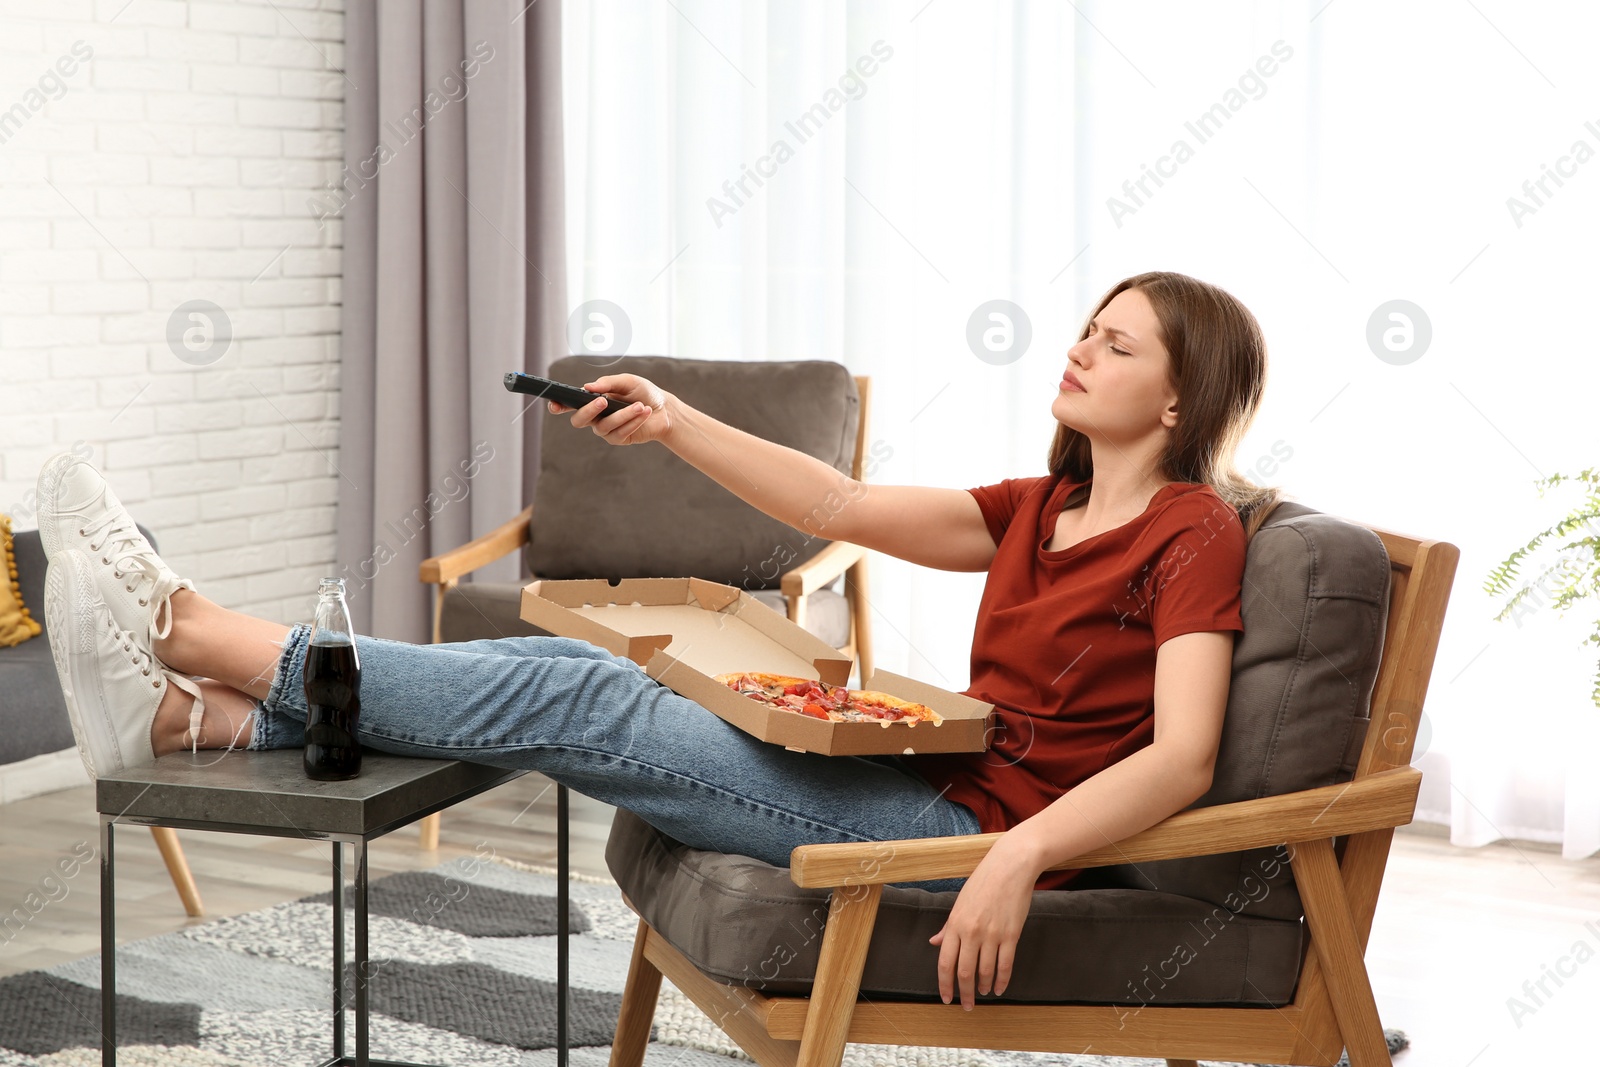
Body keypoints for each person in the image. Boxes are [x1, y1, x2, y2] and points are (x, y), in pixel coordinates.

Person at [38, 270, 1279, 1012]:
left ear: (1177, 396)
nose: (1078, 348)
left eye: (1116, 344)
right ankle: (212, 717)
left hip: (967, 838)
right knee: (577, 665)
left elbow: (1179, 757)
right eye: (1087, 326)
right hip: (923, 786)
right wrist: (677, 422)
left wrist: (1015, 859)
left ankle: (192, 629)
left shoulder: (1192, 532)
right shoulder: (1043, 507)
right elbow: (834, 507)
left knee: (595, 710)